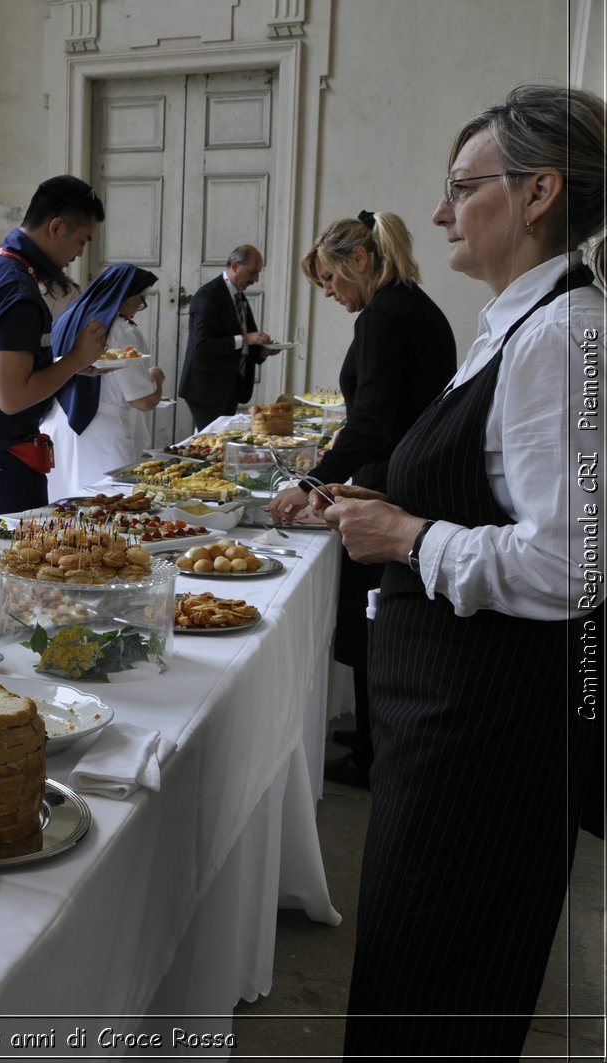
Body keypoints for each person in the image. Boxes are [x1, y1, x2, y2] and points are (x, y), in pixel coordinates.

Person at [316, 85, 604, 1059]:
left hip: (486, 738)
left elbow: (571, 564)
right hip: (449, 725)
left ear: (537, 195)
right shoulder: (518, 324)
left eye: (459, 188)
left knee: (436, 999)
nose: (438, 212)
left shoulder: (563, 337)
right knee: (412, 978)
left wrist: (403, 538)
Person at [268, 210, 456, 790]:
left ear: (361, 261)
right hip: (402, 471)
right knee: (376, 615)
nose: (329, 293)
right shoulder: (408, 304)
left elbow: (373, 422)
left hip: (390, 480)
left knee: (372, 620)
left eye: (330, 279)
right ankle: (373, 734)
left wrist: (311, 482)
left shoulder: (383, 315)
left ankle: (376, 752)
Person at [0, 175, 108, 533]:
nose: (79, 253)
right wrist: (75, 358)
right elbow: (12, 397)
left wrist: (65, 367)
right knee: (17, 576)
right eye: (81, 240)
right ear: (57, 227)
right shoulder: (18, 292)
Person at [42, 264, 165, 497]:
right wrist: (157, 378)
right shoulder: (120, 329)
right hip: (101, 436)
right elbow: (144, 401)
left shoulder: (67, 317)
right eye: (141, 299)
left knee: (60, 512)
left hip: (58, 426)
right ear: (126, 295)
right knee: (107, 514)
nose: (141, 306)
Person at [177, 245, 278, 431]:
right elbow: (202, 345)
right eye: (252, 272)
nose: (255, 279)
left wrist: (263, 351)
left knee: (219, 443)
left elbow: (245, 344)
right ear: (234, 266)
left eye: (258, 273)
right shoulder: (207, 296)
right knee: (212, 444)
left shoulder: (240, 297)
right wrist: (245, 339)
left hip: (230, 386)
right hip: (206, 388)